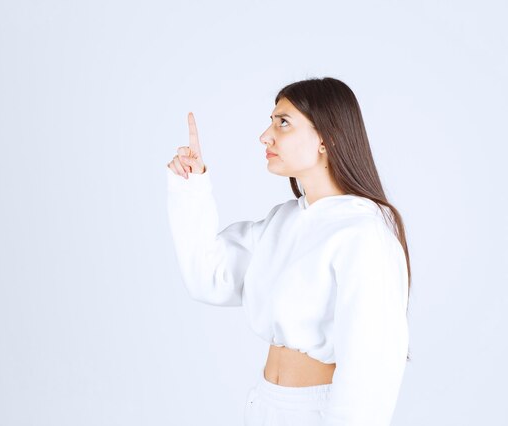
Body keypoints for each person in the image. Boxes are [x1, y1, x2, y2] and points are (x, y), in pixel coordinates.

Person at [165, 77, 411, 426]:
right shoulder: (283, 221)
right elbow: (209, 278)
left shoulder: (364, 232)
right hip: (265, 405)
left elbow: (371, 368)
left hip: (318, 412)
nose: (266, 136)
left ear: (326, 138)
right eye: (271, 121)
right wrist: (191, 187)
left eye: (283, 122)